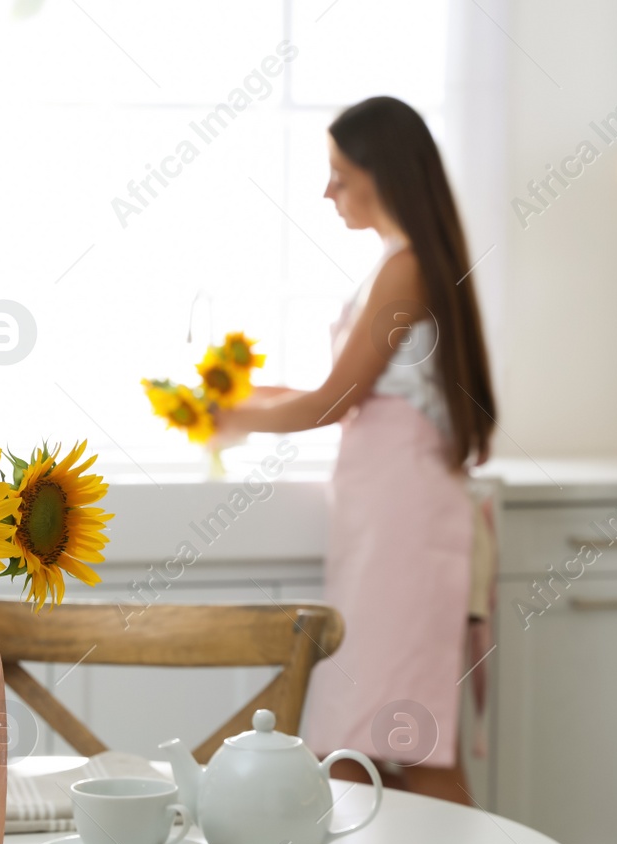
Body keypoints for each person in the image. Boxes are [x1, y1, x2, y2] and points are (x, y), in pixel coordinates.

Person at [212, 96, 496, 805]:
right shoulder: (395, 266)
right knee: (355, 743)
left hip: (406, 532)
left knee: (404, 743)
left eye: (340, 173)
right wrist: (245, 397)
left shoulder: (405, 271)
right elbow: (356, 389)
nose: (327, 191)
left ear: (386, 173)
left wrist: (238, 418)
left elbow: (337, 401)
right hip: (388, 529)